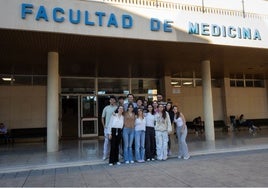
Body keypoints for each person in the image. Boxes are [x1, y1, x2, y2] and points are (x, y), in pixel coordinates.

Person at [101, 96, 118, 160]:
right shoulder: (106, 108)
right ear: (109, 101)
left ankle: (115, 154)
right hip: (107, 127)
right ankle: (105, 155)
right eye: (111, 100)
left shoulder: (117, 108)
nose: (112, 101)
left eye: (113, 100)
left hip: (115, 127)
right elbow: (102, 117)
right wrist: (104, 126)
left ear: (115, 101)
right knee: (106, 141)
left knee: (114, 142)